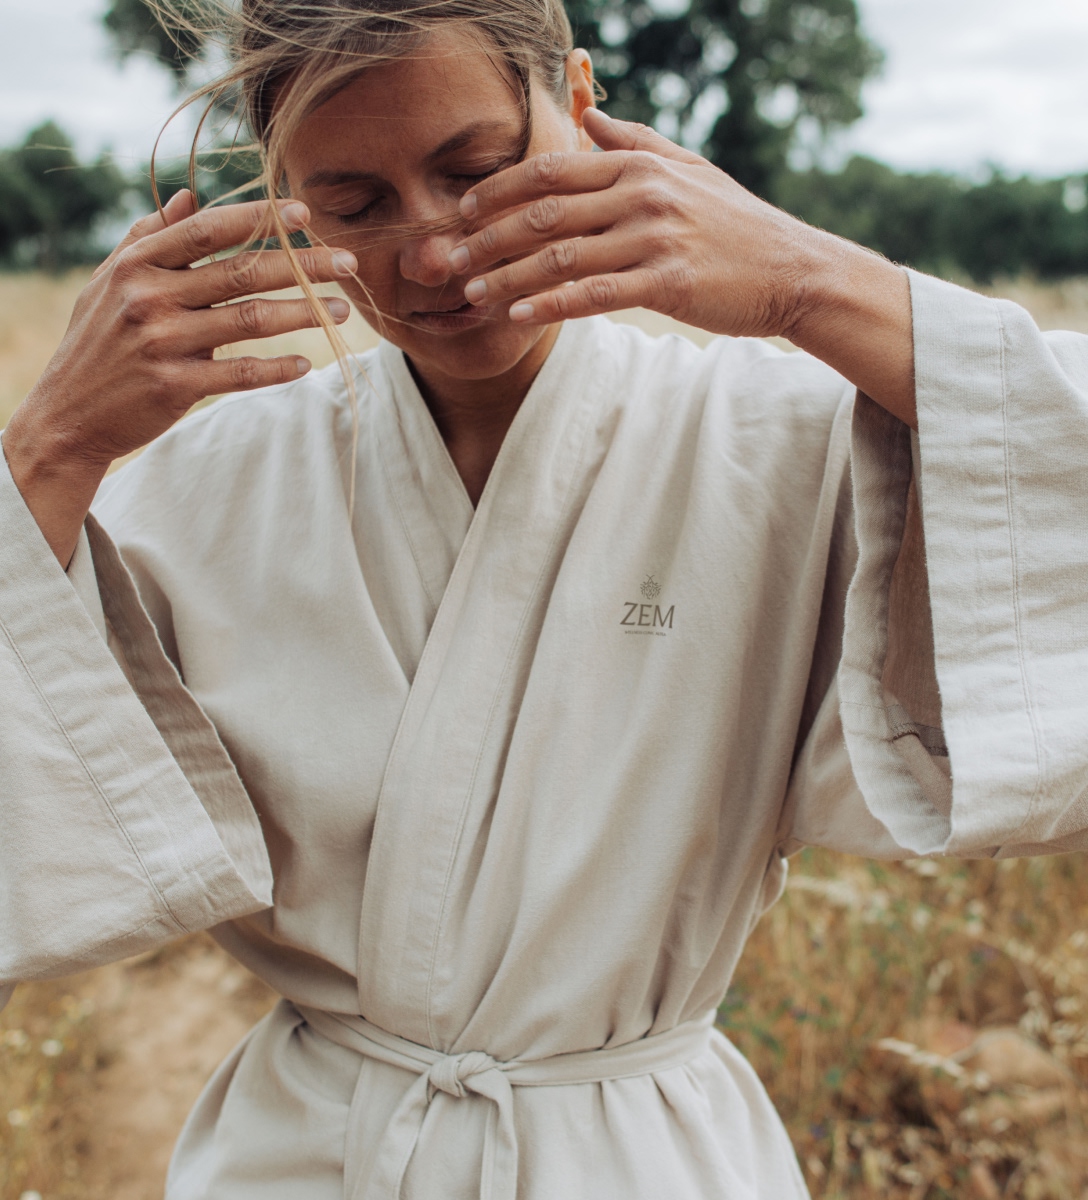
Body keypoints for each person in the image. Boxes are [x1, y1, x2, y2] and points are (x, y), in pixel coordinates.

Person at [2, 1, 1087, 1196]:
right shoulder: (199, 490)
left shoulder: (775, 443)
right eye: (354, 204)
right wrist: (45, 455)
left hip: (639, 1157)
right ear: (281, 185)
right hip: (305, 1158)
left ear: (574, 101)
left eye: (476, 171)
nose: (432, 257)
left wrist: (807, 285)